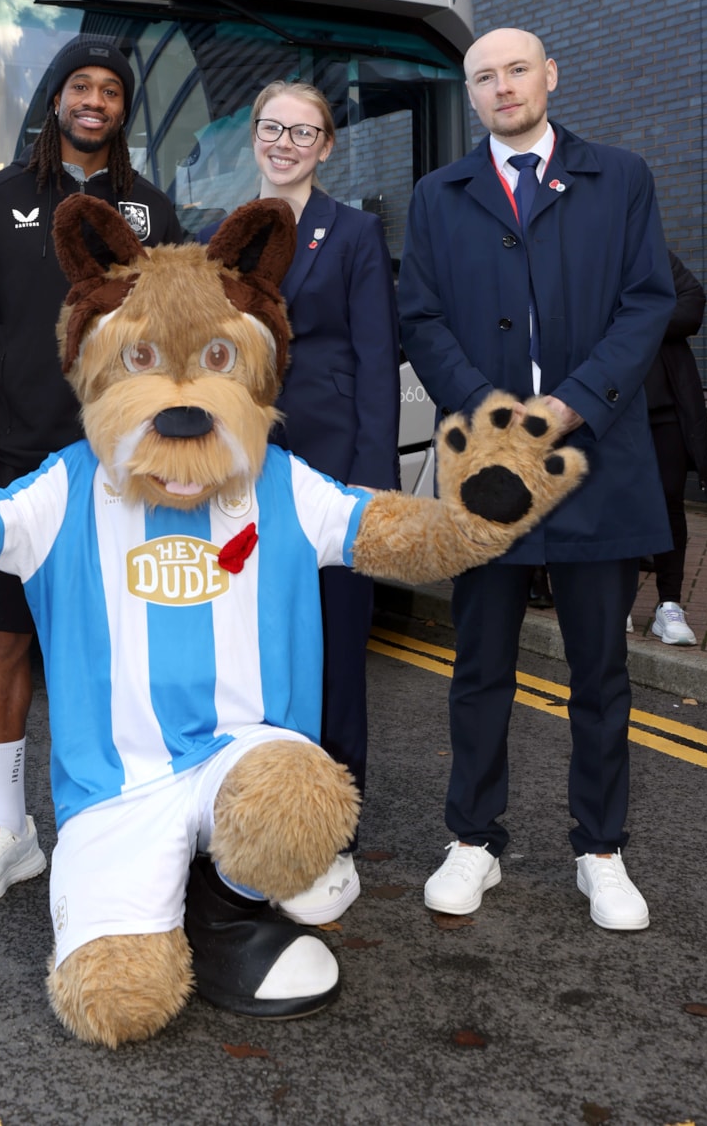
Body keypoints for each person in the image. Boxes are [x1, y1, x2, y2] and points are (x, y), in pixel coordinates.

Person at [398, 26, 674, 932]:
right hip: (490, 472)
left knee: (601, 672)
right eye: (484, 76)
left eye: (517, 70)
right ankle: (473, 840)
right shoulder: (439, 196)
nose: (503, 86)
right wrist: (486, 408)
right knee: (480, 666)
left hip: (595, 459)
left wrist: (573, 404)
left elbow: (648, 302)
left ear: (550, 75)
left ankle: (602, 851)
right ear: (469, 94)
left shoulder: (620, 178)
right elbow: (423, 316)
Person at [0, 34, 184, 906]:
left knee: (119, 655)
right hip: (15, 464)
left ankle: (113, 824)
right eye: (80, 87)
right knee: (5, 645)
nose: (95, 102)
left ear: (123, 111)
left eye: (111, 92)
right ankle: (9, 831)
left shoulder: (154, 212)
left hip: (122, 471)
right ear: (55, 101)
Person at [201, 80, 400, 925]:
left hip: (328, 469)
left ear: (327, 147)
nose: (286, 142)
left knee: (335, 646)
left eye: (304, 132)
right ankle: (254, 807)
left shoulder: (352, 233)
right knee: (251, 646)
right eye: (273, 127)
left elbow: (375, 359)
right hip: (242, 473)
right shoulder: (225, 234)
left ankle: (333, 820)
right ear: (255, 137)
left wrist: (370, 485)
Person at [644, 249, 707, 645]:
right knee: (618, 503)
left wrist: (636, 322)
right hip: (612, 410)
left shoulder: (656, 258)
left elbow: (692, 306)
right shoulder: (586, 259)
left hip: (667, 408)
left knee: (670, 502)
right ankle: (616, 605)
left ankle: (669, 605)